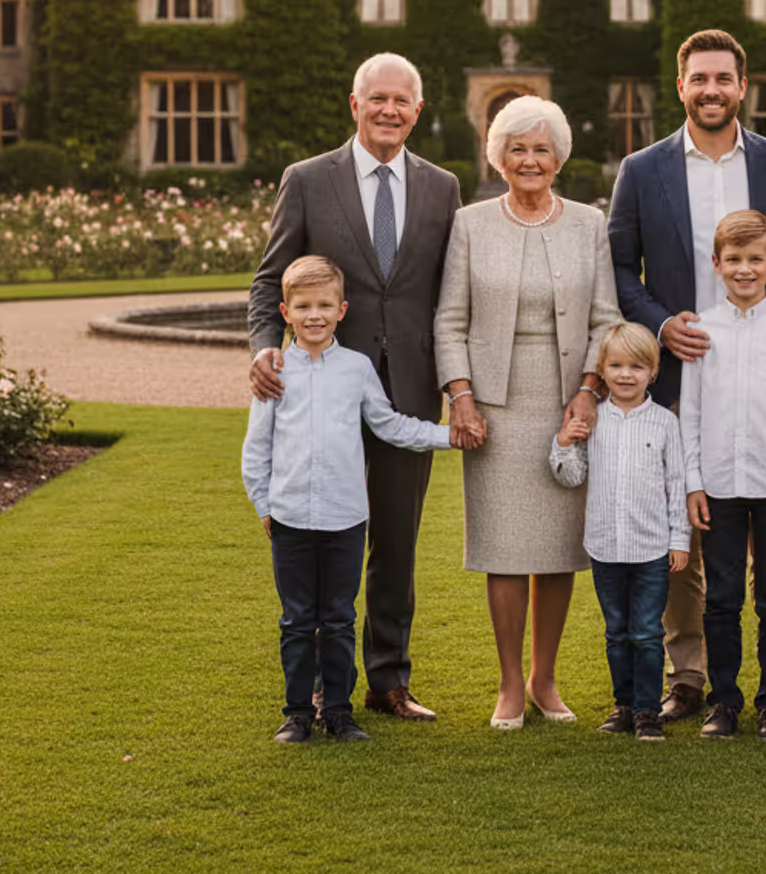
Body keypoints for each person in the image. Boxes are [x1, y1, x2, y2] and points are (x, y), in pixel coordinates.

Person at [606, 28, 766, 725]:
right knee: (686, 529)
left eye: (723, 78)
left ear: (742, 86)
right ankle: (690, 676)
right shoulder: (642, 169)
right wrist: (661, 324)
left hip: (762, 370)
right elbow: (619, 269)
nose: (711, 90)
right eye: (699, 78)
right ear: (681, 86)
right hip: (680, 370)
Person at [247, 53, 463, 723]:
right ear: (355, 104)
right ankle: (320, 684)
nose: (389, 110)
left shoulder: (443, 187)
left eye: (402, 101)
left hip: (410, 390)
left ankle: (389, 679)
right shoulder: (308, 180)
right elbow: (269, 279)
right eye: (378, 99)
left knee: (396, 543)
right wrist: (264, 347)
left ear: (417, 111)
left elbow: (452, 294)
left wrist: (461, 387)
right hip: (322, 391)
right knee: (318, 540)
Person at [435, 95, 621, 729]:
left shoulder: (589, 224)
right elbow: (449, 320)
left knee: (558, 547)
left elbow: (606, 319)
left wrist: (590, 390)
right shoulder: (470, 224)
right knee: (505, 545)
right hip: (493, 407)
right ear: (500, 157)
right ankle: (510, 683)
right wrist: (461, 397)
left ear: (559, 158)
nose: (530, 160)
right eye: (517, 149)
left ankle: (545, 679)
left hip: (567, 401)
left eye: (542, 149)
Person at [241, 257, 465, 744]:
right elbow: (256, 449)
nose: (314, 315)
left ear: (342, 310)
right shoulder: (275, 371)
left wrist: (449, 435)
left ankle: (339, 713)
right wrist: (265, 507)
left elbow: (389, 425)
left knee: (340, 620)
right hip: (291, 519)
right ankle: (298, 714)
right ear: (285, 312)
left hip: (345, 519)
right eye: (303, 306)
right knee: (298, 622)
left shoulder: (357, 369)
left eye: (324, 305)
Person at [681, 209, 766, 741]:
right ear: (716, 263)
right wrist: (694, 482)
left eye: (755, 259)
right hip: (718, 487)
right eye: (734, 259)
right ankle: (723, 702)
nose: (745, 269)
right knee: (721, 599)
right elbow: (691, 414)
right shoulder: (701, 330)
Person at [549, 321, 689, 743]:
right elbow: (571, 476)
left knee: (647, 633)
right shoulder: (593, 420)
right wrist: (563, 441)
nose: (626, 375)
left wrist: (679, 540)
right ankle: (623, 705)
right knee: (617, 632)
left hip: (652, 550)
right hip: (605, 548)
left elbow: (677, 485)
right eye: (616, 366)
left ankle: (647, 711)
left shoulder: (664, 423)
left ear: (653, 371)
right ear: (602, 370)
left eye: (637, 367)